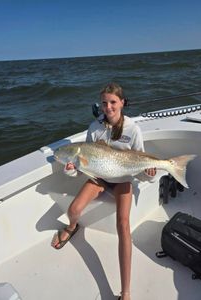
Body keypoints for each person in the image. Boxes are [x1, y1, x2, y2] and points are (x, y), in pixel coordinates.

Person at [51, 83, 156, 300]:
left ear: (122, 103)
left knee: (123, 225)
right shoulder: (94, 128)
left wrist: (150, 173)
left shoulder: (133, 129)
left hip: (124, 180)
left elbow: (141, 163)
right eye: (104, 103)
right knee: (74, 209)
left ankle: (125, 292)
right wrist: (72, 170)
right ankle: (72, 227)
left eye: (113, 102)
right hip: (99, 178)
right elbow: (84, 168)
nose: (108, 107)